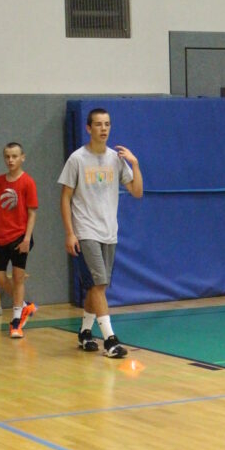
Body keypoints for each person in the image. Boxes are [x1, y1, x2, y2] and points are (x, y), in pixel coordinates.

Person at [58, 108, 143, 358]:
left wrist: (135, 163)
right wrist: (70, 233)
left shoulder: (116, 159)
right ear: (88, 128)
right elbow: (65, 198)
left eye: (107, 124)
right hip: (86, 230)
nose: (103, 128)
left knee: (98, 287)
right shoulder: (77, 159)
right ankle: (110, 340)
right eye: (98, 124)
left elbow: (137, 191)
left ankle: (85, 332)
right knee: (97, 283)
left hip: (109, 231)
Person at [0, 141, 38, 339]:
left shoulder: (28, 182)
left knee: (18, 277)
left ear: (22, 158)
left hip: (20, 236)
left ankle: (16, 321)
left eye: (14, 156)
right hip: (2, 237)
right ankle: (25, 305)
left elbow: (32, 213)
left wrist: (27, 238)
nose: (10, 160)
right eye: (7, 156)